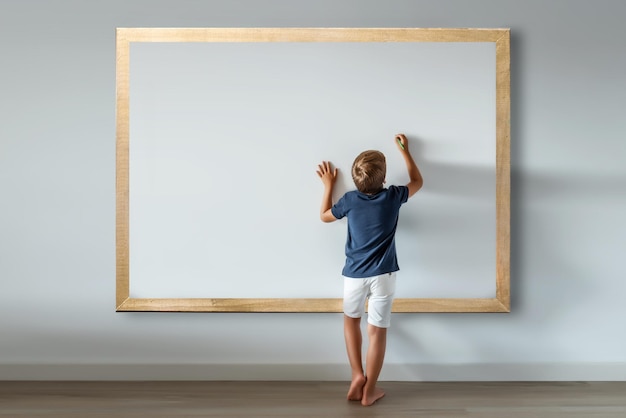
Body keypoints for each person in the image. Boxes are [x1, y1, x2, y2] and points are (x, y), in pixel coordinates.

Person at [316, 133, 423, 406]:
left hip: (354, 275)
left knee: (351, 320)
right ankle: (371, 389)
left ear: (355, 179)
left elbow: (325, 216)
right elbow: (418, 182)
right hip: (384, 276)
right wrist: (405, 152)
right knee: (377, 331)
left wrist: (328, 184)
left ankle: (356, 374)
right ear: (384, 179)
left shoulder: (350, 200)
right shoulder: (393, 196)